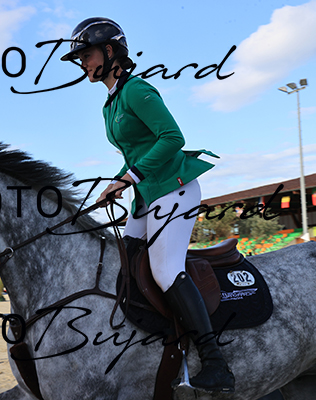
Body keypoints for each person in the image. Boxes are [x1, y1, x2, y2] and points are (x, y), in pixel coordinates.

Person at [61, 17, 234, 394]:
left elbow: (172, 138)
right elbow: (135, 153)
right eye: (80, 58)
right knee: (126, 261)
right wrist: (116, 182)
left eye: (86, 55)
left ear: (109, 51)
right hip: (147, 194)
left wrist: (129, 178)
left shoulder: (137, 90)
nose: (83, 63)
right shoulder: (110, 104)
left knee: (165, 269)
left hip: (174, 189)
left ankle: (215, 361)